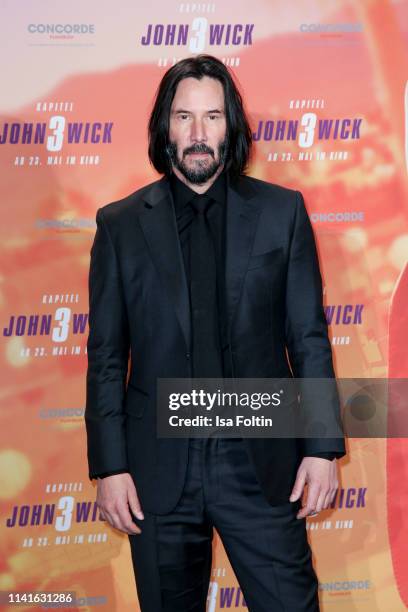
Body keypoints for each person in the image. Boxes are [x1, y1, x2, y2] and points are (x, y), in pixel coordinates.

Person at [85, 54, 346, 612]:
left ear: (232, 125)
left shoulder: (282, 213)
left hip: (259, 457)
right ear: (165, 127)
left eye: (212, 117)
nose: (198, 134)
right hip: (158, 464)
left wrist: (322, 449)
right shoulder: (120, 225)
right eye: (184, 118)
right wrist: (110, 466)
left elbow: (308, 336)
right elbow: (107, 356)